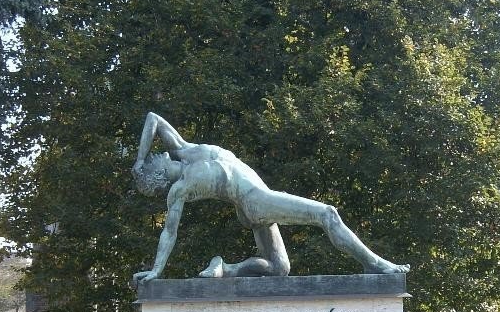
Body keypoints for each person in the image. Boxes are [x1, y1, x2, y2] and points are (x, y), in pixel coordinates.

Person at [131, 112, 409, 284]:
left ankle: (225, 269)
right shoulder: (180, 187)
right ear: (157, 177)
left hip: (255, 202)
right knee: (327, 213)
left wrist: (139, 160)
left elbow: (153, 119)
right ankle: (374, 263)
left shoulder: (185, 150)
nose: (155, 155)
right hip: (256, 201)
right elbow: (169, 231)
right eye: (151, 164)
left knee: (279, 269)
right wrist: (156, 270)